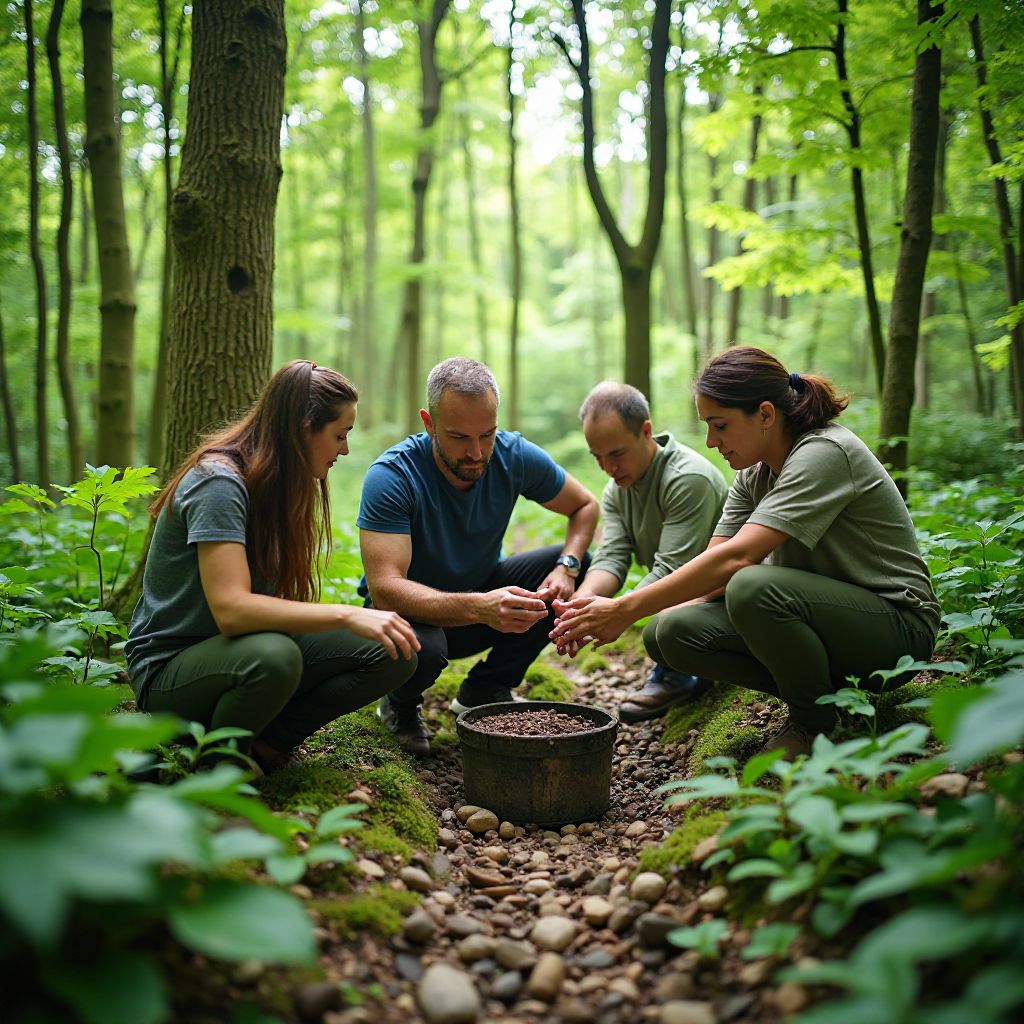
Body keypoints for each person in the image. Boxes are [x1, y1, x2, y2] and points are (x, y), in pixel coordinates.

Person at [551, 347, 940, 759]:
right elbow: (713, 564)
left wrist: (624, 608)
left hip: (898, 631)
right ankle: (829, 695)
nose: (710, 441)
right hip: (829, 624)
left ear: (767, 415)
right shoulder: (753, 473)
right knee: (669, 632)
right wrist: (602, 613)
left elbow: (737, 560)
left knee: (751, 586)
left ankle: (813, 723)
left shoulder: (824, 453)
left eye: (720, 426)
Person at [125, 360, 420, 773]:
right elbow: (231, 611)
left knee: (396, 650)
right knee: (275, 656)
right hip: (171, 674)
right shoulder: (218, 483)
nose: (345, 449)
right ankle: (219, 768)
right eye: (339, 435)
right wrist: (348, 613)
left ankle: (265, 746)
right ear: (303, 428)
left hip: (244, 656)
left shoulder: (277, 483)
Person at [358, 357, 599, 756]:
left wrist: (567, 567)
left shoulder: (512, 455)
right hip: (410, 620)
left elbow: (585, 506)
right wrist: (480, 607)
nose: (476, 452)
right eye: (458, 437)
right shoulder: (393, 476)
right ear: (429, 422)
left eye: (487, 434)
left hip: (482, 602)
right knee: (427, 649)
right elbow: (385, 591)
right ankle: (400, 704)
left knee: (568, 567)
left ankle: (486, 687)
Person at [574, 381, 727, 722]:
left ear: (646, 431)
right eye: (597, 457)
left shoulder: (688, 479)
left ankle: (682, 674)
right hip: (687, 595)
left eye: (616, 454)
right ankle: (681, 668)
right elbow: (612, 557)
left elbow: (674, 572)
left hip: (723, 596)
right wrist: (581, 604)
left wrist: (615, 612)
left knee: (663, 623)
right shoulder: (617, 488)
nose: (608, 468)